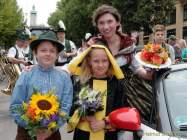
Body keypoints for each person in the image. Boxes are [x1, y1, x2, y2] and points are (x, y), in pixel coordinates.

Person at [90, 4, 153, 122]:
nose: (106, 26)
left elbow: (136, 68)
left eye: (110, 21)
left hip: (128, 90)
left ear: (117, 22)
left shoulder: (128, 44)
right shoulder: (94, 45)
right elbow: (80, 66)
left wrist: (147, 74)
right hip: (103, 89)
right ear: (97, 25)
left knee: (130, 123)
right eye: (101, 23)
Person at [9, 31, 73, 140]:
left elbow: (65, 107)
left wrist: (50, 129)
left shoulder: (64, 78)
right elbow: (15, 106)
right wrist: (32, 127)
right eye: (43, 50)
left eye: (52, 51)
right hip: (26, 133)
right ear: (35, 53)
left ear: (57, 55)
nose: (48, 54)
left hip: (52, 133)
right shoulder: (26, 75)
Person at [67, 42, 128, 140]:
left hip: (108, 135)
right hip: (83, 135)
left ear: (110, 62)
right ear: (89, 62)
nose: (100, 65)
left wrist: (105, 123)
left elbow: (121, 110)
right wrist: (83, 114)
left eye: (104, 61)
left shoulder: (116, 84)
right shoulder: (81, 83)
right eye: (96, 61)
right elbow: (70, 109)